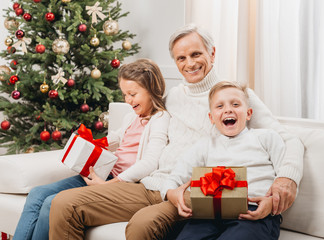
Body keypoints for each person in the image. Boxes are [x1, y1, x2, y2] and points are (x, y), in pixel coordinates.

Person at [49, 24, 303, 240]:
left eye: (196, 54)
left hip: (193, 191)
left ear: (212, 54)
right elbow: (137, 123)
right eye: (181, 58)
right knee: (63, 204)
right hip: (151, 183)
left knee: (142, 226)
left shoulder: (234, 97)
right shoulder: (171, 98)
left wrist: (286, 180)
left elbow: (288, 140)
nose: (189, 63)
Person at [12, 58, 170, 240]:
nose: (128, 100)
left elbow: (150, 162)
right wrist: (92, 144)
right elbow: (117, 137)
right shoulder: (132, 116)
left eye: (133, 94)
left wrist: (109, 184)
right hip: (104, 173)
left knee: (51, 203)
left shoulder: (160, 119)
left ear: (152, 90)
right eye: (125, 94)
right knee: (37, 194)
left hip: (121, 184)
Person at [164, 81, 284, 240]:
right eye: (219, 106)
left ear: (248, 113)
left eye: (235, 104)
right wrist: (171, 193)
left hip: (253, 213)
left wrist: (272, 204)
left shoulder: (266, 137)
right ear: (211, 117)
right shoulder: (204, 145)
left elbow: (285, 178)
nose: (228, 109)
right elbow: (174, 178)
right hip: (210, 214)